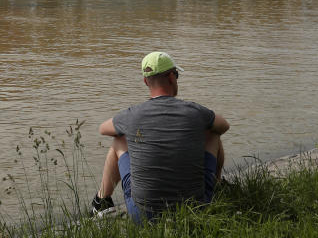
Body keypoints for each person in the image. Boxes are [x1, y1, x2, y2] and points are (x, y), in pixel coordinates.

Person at [92, 51, 229, 222]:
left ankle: (101, 201)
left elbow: (102, 129)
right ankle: (217, 184)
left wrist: (139, 133)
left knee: (119, 138)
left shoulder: (131, 115)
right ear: (172, 77)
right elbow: (224, 126)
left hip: (142, 216)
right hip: (195, 209)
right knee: (213, 133)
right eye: (177, 75)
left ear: (145, 81)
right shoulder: (195, 112)